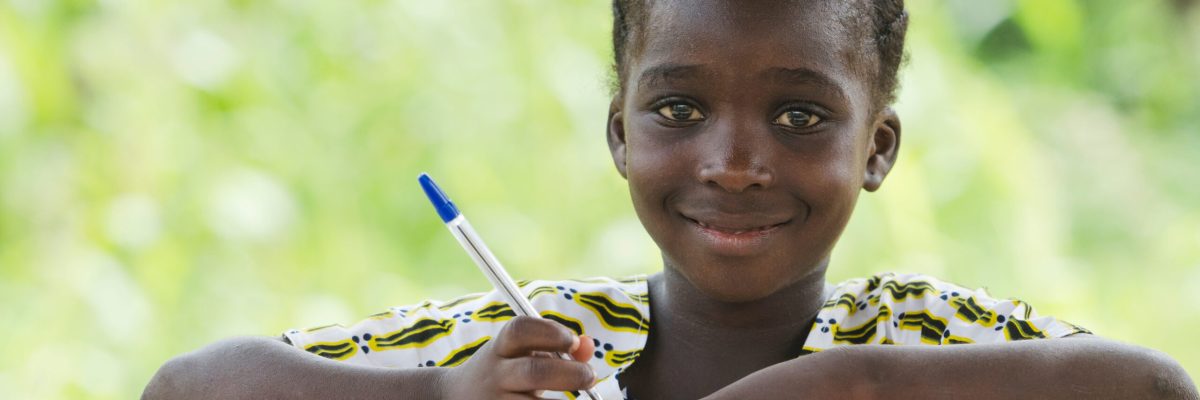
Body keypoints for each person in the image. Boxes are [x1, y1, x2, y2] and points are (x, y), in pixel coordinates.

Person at [143, 1, 1198, 399]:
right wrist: (435, 399)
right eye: (681, 107)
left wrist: (861, 384)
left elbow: (1153, 388)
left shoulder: (924, 339)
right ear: (620, 132)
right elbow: (190, 389)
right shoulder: (542, 350)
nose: (734, 163)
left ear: (877, 149)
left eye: (798, 117)